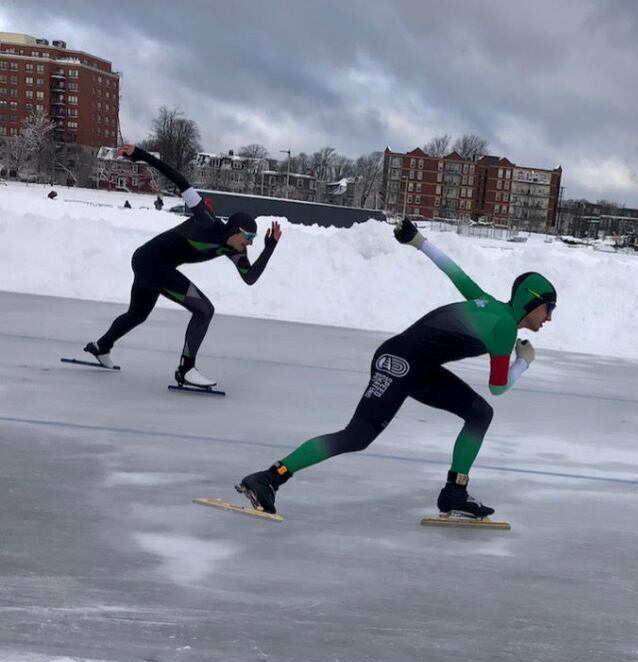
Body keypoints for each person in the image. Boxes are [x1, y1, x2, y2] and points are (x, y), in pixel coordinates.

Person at [238, 217, 556, 519]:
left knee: (479, 414)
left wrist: (419, 241)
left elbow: (456, 273)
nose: (549, 317)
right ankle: (269, 478)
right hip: (400, 363)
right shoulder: (504, 329)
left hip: (419, 368)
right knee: (357, 436)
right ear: (531, 302)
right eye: (548, 308)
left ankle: (454, 493)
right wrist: (523, 363)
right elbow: (498, 386)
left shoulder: (488, 304)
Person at [84, 143, 282, 387]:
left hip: (150, 263)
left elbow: (250, 277)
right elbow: (180, 180)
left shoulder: (232, 249)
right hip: (151, 261)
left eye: (253, 240)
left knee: (137, 314)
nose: (250, 244)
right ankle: (186, 369)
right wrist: (139, 155)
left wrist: (269, 248)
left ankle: (101, 347)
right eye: (249, 238)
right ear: (234, 230)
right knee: (204, 310)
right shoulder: (206, 221)